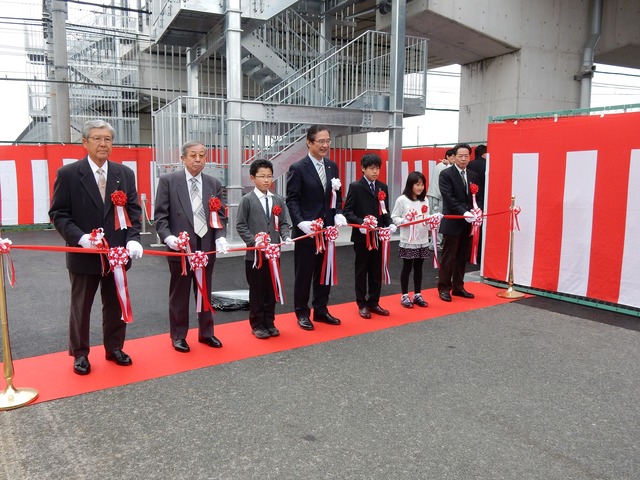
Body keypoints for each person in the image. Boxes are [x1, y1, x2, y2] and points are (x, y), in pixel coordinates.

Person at [49, 119, 143, 375]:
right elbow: (58, 213)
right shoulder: (68, 174)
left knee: (115, 303)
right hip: (84, 254)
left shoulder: (124, 174)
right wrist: (79, 238)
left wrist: (133, 238)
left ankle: (114, 348)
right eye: (97, 138)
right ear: (84, 142)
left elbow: (133, 211)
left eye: (108, 139)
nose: (103, 144)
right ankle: (80, 353)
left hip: (117, 254)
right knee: (81, 306)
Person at [154, 140, 229, 353]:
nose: (198, 160)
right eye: (193, 155)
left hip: (206, 246)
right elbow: (161, 215)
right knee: (179, 293)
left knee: (205, 291)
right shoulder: (169, 181)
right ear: (183, 158)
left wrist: (220, 236)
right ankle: (178, 335)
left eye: (202, 155)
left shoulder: (213, 183)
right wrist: (168, 238)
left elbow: (219, 215)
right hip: (181, 247)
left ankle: (206, 333)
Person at [286, 125, 347, 331]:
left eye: (328, 141)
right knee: (304, 273)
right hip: (307, 231)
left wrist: (338, 212)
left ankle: (321, 309)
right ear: (309, 143)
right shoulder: (298, 167)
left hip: (327, 230)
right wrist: (300, 222)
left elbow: (336, 195)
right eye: (320, 141)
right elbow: (292, 199)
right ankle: (302, 312)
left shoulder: (332, 166)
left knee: (324, 270)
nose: (325, 145)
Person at [236, 159, 292, 339]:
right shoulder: (247, 200)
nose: (266, 180)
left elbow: (284, 222)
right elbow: (241, 225)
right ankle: (257, 323)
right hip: (255, 256)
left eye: (269, 176)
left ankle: (270, 321)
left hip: (274, 255)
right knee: (257, 290)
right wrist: (253, 242)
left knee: (271, 288)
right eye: (262, 176)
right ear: (253, 178)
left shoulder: (277, 199)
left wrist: (285, 237)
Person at [343, 153, 396, 319]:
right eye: (371, 168)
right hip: (362, 236)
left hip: (379, 235)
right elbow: (347, 211)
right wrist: (361, 223)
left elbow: (384, 209)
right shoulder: (356, 187)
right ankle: (362, 303)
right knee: (361, 270)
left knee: (376, 270)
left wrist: (390, 223)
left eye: (377, 168)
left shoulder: (382, 187)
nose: (375, 171)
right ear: (363, 169)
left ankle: (374, 301)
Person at [437, 143, 483, 302]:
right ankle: (444, 287)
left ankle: (458, 286)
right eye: (460, 156)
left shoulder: (473, 175)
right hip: (453, 221)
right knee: (449, 257)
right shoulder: (446, 174)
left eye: (466, 156)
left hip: (468, 224)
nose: (463, 159)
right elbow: (449, 198)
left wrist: (478, 210)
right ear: (454, 157)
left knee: (462, 256)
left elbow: (479, 197)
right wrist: (465, 212)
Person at [391, 171, 430, 309]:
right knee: (407, 267)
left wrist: (432, 221)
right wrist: (405, 220)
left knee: (419, 267)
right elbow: (394, 217)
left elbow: (427, 216)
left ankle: (418, 294)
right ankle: (405, 295)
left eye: (422, 184)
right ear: (410, 185)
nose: (420, 188)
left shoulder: (425, 200)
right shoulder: (402, 200)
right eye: (417, 184)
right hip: (408, 240)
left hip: (423, 239)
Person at [426, 149, 453, 248]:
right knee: (437, 220)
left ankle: (435, 243)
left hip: (437, 196)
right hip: (437, 197)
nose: (455, 160)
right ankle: (435, 244)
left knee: (437, 220)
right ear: (448, 157)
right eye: (453, 157)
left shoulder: (444, 166)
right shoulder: (444, 166)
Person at [467, 144, 487, 263]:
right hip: (481, 200)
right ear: (484, 154)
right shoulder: (487, 165)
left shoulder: (469, 165)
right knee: (479, 227)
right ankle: (477, 255)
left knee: (468, 229)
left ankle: (468, 254)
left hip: (468, 201)